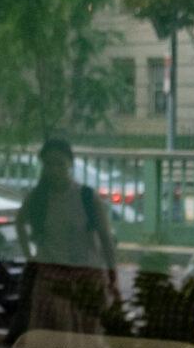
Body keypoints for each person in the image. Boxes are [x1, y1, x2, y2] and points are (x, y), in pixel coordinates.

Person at [16, 136, 121, 335]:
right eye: (49, 164)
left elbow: (105, 237)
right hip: (51, 280)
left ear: (70, 164)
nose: (54, 170)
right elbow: (19, 223)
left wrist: (112, 273)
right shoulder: (37, 198)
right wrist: (30, 256)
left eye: (59, 164)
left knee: (86, 339)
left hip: (86, 278)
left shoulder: (87, 197)